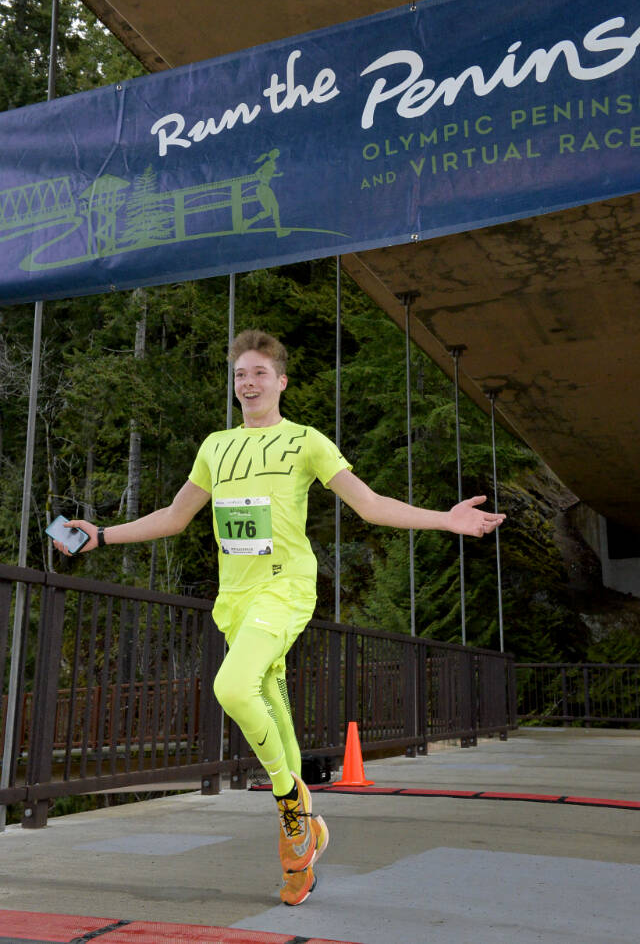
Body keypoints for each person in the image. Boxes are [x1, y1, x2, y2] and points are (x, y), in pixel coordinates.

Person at [56, 328, 505, 906]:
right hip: (235, 598)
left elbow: (369, 506)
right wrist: (101, 536)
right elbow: (173, 516)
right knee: (269, 696)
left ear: (281, 381)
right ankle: (304, 837)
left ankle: (289, 804)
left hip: (286, 588)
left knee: (233, 686)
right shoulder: (215, 447)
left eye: (259, 374)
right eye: (240, 375)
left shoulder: (306, 442)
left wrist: (446, 520)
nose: (248, 383)